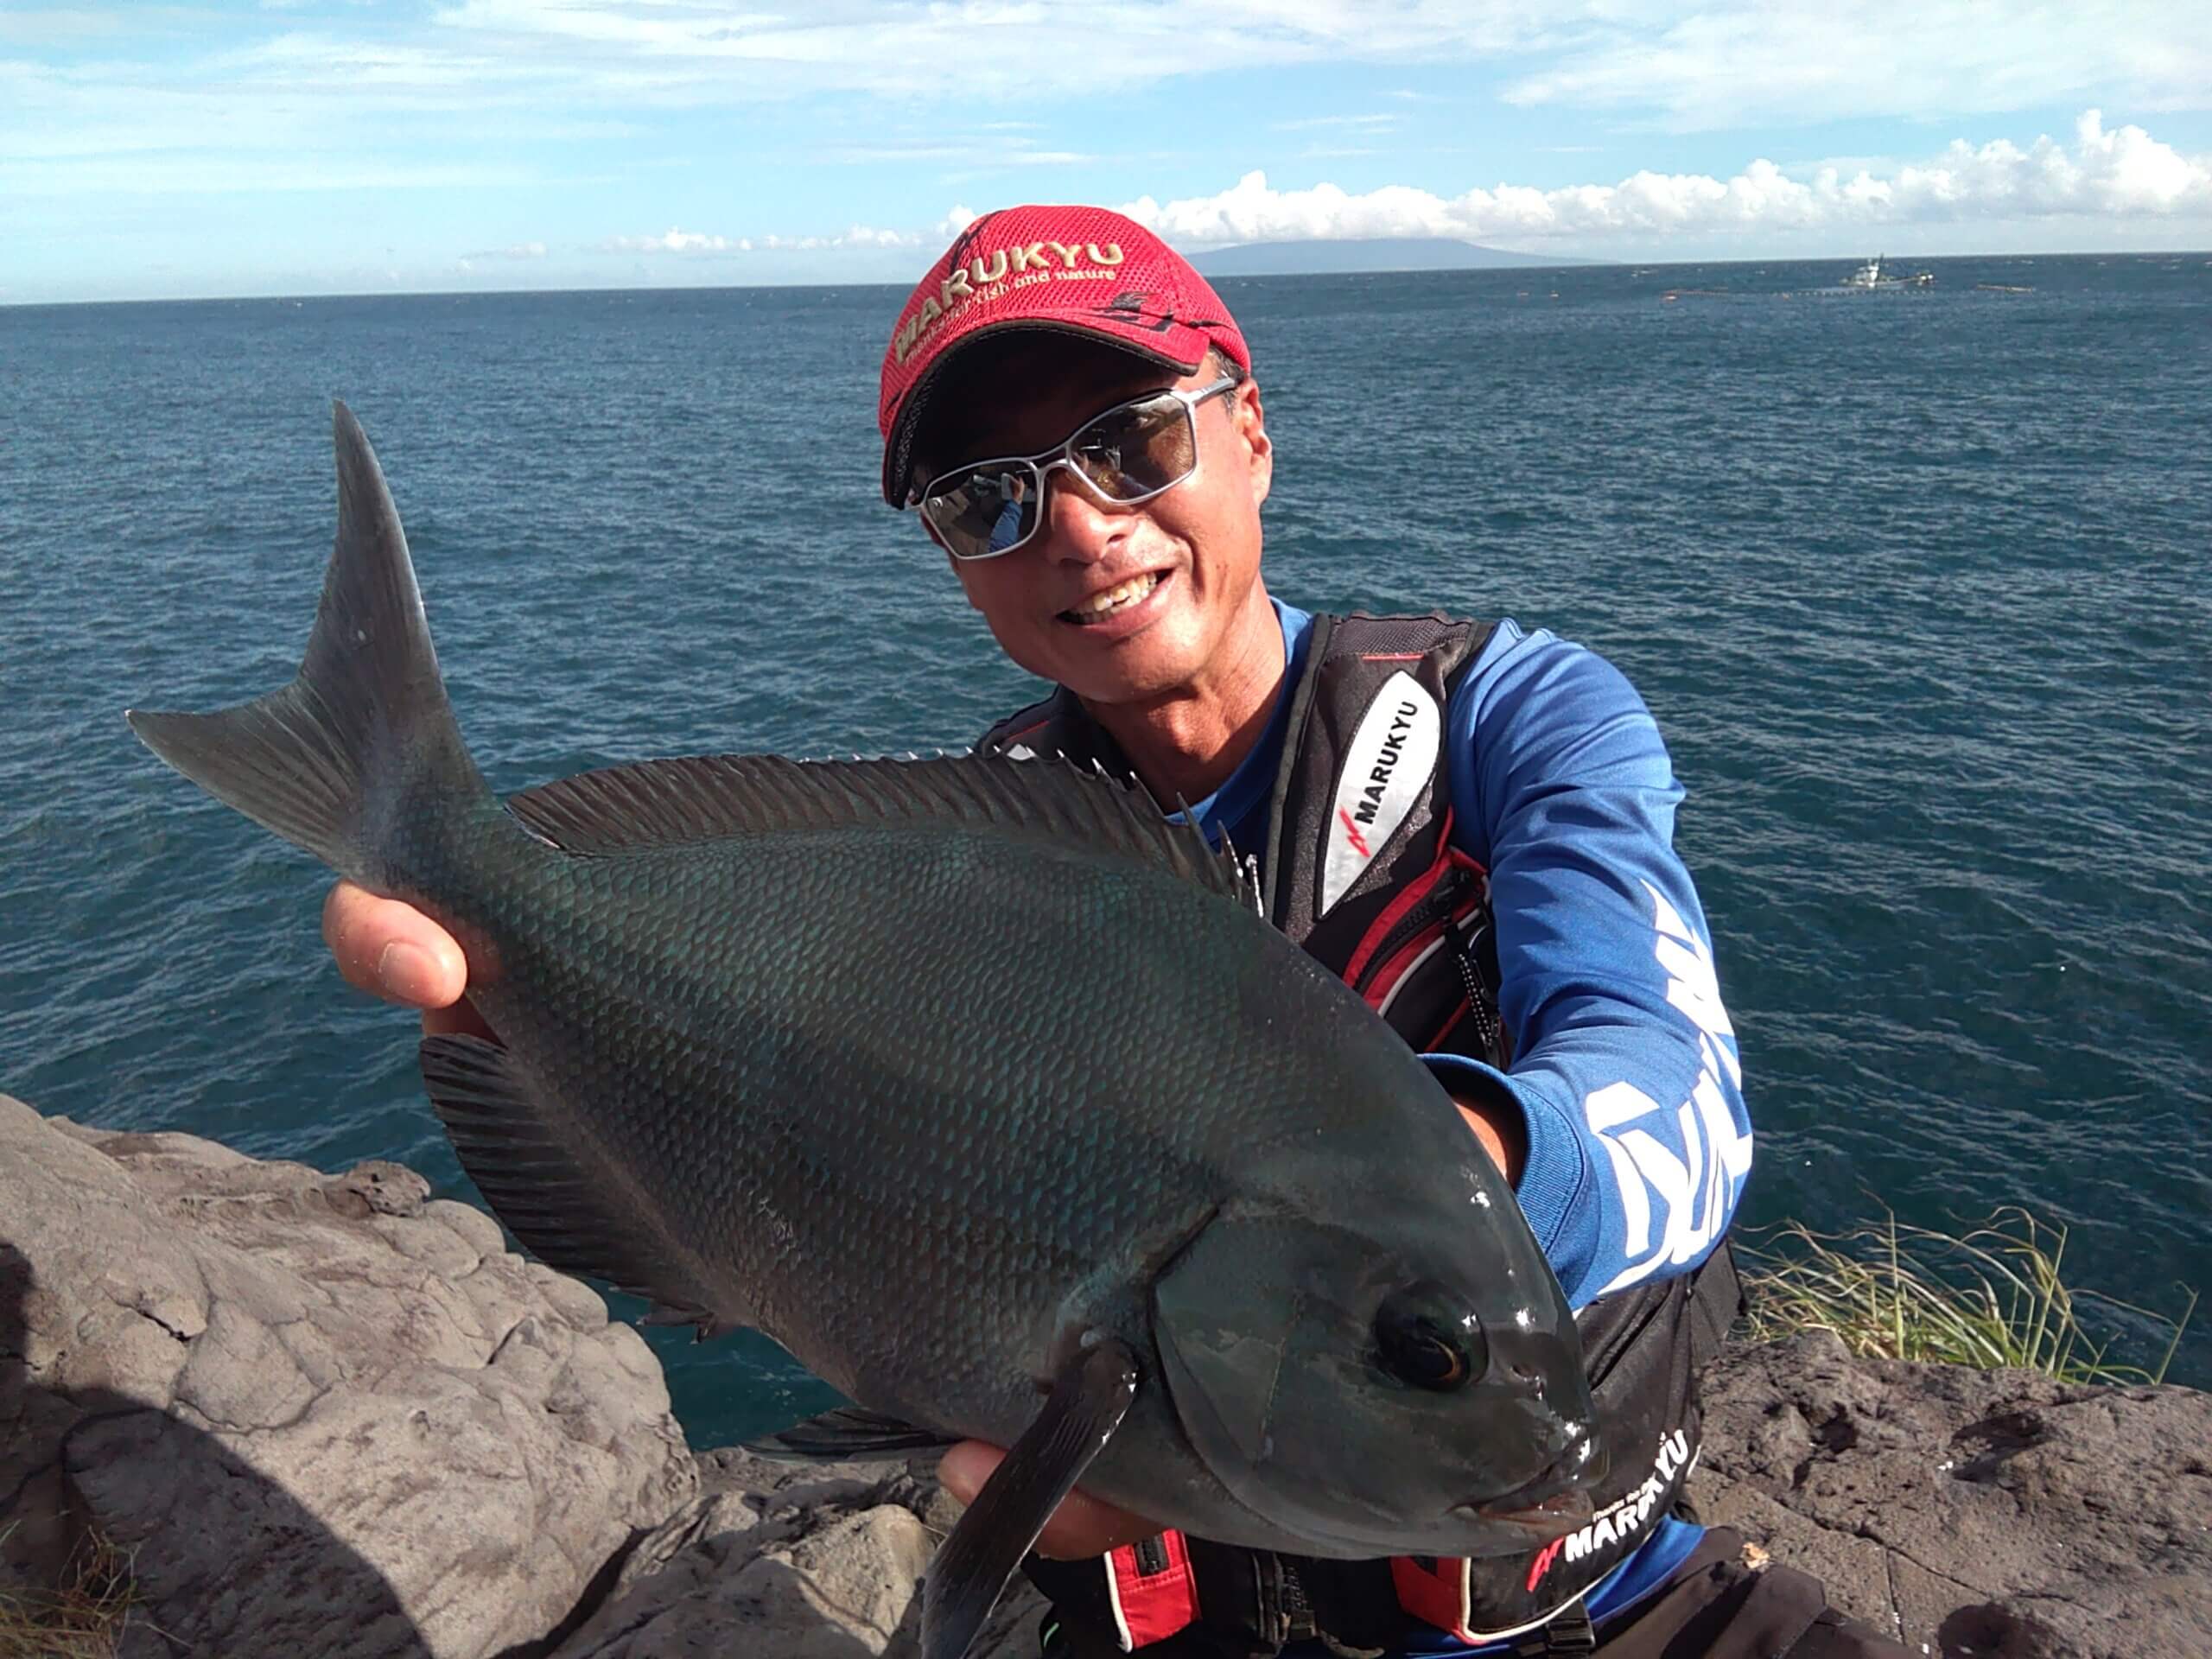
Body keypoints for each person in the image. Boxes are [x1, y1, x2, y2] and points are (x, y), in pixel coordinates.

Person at [321, 206, 1910, 1658]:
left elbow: (1678, 1096)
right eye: (987, 499)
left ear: (1255, 436)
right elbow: (828, 1209)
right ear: (952, 562)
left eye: (1136, 443)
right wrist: (562, 1044)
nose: (1081, 528)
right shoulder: (972, 846)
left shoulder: (1509, 716)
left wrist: (1432, 1239)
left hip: (1586, 1615)